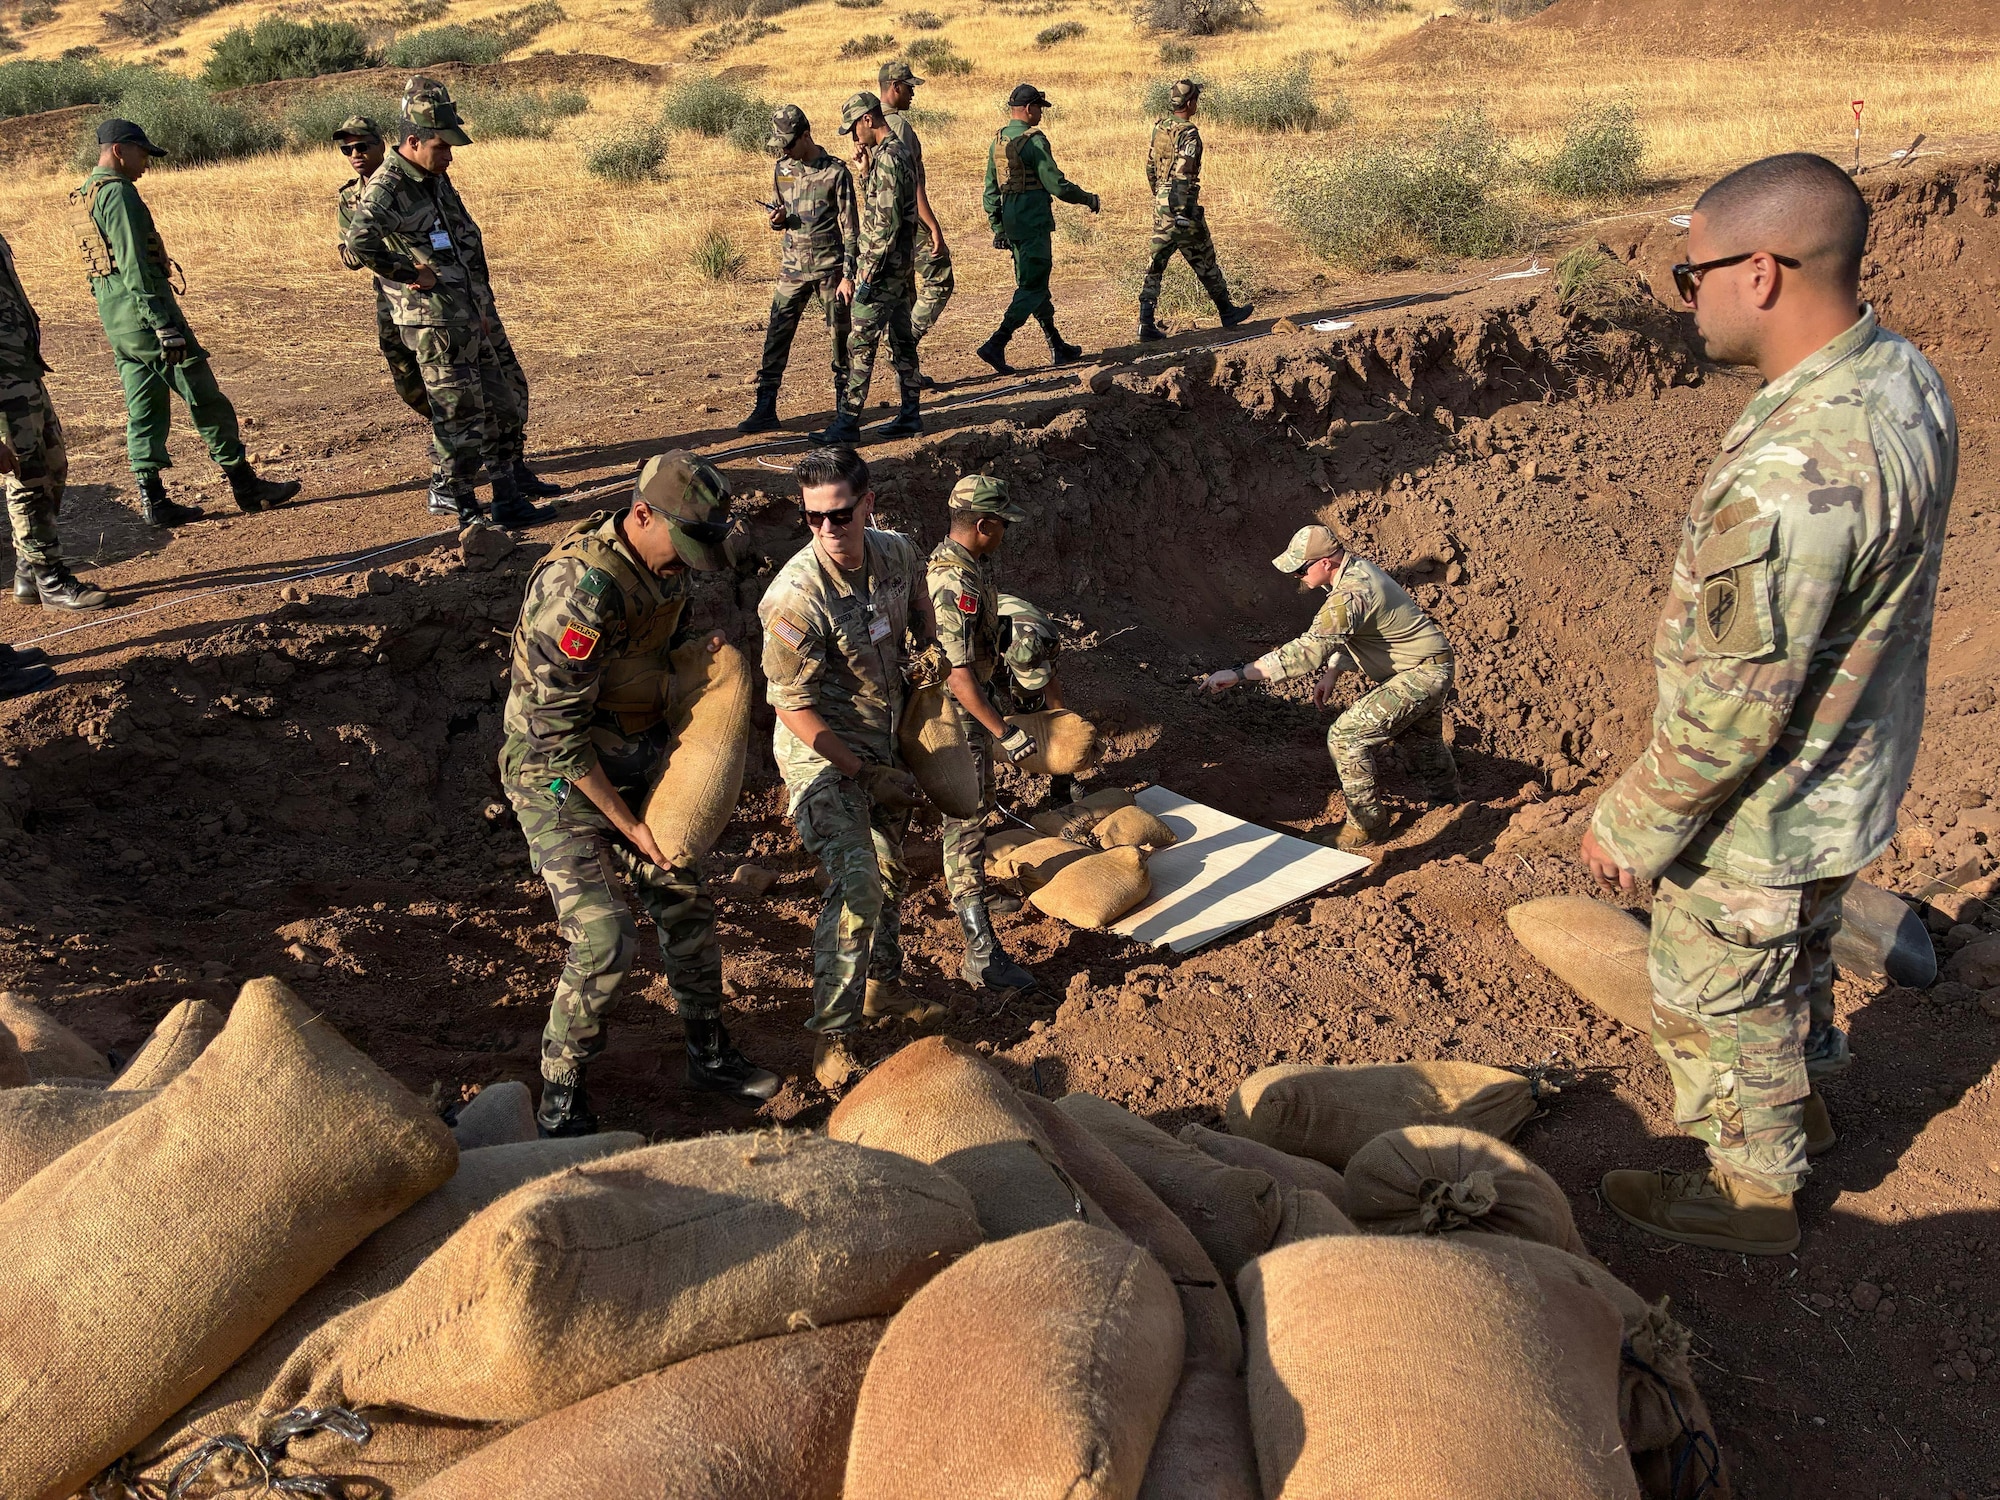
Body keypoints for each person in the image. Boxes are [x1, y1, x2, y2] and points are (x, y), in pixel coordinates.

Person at [1582, 153, 1956, 1256]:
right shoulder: (1896, 375)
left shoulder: (1792, 467)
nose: (1679, 297)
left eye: (1685, 272)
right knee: (1790, 955)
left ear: (1757, 272)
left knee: (1718, 989)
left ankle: (1751, 1196)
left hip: (1765, 807)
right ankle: (1803, 1107)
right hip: (1848, 774)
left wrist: (1634, 822)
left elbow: (1735, 707)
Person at [502, 450, 780, 1136]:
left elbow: (658, 650)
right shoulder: (580, 592)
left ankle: (708, 1055)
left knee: (685, 897)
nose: (686, 563)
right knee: (603, 935)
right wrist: (632, 831)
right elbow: (554, 741)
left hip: (631, 759)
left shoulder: (664, 565)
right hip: (559, 782)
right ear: (641, 514)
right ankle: (561, 1096)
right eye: (681, 545)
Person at [759, 445, 937, 1091]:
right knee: (858, 881)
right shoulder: (794, 598)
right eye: (813, 519)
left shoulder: (897, 552)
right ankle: (833, 1036)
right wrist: (861, 773)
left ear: (868, 503)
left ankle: (881, 990)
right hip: (823, 759)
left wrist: (931, 653)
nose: (828, 530)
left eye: (840, 514)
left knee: (892, 869)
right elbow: (791, 706)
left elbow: (922, 611)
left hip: (885, 741)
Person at [343, 77, 555, 528]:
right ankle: (461, 505)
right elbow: (358, 243)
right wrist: (408, 274)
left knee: (500, 404)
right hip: (434, 323)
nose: (450, 155)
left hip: (468, 312)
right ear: (413, 141)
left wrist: (479, 302)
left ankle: (507, 496)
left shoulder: (432, 177)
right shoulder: (388, 185)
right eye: (442, 146)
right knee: (459, 416)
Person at [71, 118, 299, 529]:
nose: (146, 163)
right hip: (147, 321)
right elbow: (135, 265)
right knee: (204, 395)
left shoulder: (84, 194)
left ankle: (153, 498)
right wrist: (163, 324)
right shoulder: (119, 194)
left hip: (118, 323)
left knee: (143, 407)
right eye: (142, 153)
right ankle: (245, 485)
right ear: (120, 150)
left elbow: (97, 269)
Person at [1200, 525, 1458, 850]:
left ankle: (1368, 826)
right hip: (1429, 665)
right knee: (1421, 739)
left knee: (1345, 737)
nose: (1297, 576)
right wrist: (1333, 671)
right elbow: (1359, 631)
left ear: (1326, 563)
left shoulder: (1351, 593)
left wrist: (1239, 674)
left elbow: (1306, 652)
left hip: (1419, 674)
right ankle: (1449, 804)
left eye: (1300, 569)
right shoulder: (1356, 573)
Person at [927, 474, 1040, 994]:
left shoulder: (971, 568)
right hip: (955, 714)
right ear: (984, 524)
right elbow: (956, 673)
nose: (1005, 535)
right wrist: (1004, 730)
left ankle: (973, 893)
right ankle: (981, 953)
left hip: (971, 707)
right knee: (966, 821)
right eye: (1002, 526)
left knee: (981, 805)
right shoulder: (955, 582)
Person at [1, 227, 104, 614]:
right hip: (2, 385)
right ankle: (49, 578)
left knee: (54, 467)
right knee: (28, 478)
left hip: (22, 372)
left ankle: (28, 569)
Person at [737, 105, 857, 437]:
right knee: (776, 337)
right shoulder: (782, 170)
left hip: (829, 271)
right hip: (791, 270)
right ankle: (765, 408)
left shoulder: (835, 173)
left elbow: (851, 230)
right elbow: (785, 216)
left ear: (806, 135)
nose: (785, 150)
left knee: (841, 340)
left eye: (789, 143)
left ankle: (845, 413)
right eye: (781, 145)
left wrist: (849, 275)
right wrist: (777, 221)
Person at [811, 94, 922, 447]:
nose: (854, 139)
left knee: (859, 341)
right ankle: (910, 414)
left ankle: (847, 421)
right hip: (900, 267)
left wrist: (865, 274)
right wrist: (864, 172)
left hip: (883, 270)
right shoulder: (892, 154)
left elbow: (884, 226)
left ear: (868, 119)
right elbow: (882, 204)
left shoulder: (889, 158)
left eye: (854, 129)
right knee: (902, 340)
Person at [976, 83, 1099, 376]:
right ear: (1029, 109)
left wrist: (998, 227)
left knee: (1034, 283)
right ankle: (997, 342)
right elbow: (1056, 184)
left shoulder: (999, 140)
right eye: (1040, 109)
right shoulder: (1034, 141)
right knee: (1032, 287)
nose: (1041, 115)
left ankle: (1057, 344)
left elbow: (990, 190)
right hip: (1033, 223)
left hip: (1013, 223)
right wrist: (1087, 198)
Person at [1139, 79, 1253, 342]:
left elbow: (1150, 166)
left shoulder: (1160, 127)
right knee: (1204, 256)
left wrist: (1160, 195)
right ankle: (1227, 312)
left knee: (1156, 263)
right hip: (1182, 206)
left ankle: (1145, 322)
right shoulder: (1189, 133)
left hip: (1162, 202)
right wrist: (1180, 210)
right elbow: (1184, 172)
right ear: (1190, 103)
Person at [332, 116, 429, 421]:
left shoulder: (409, 183)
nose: (355, 155)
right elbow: (349, 256)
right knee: (404, 374)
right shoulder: (350, 198)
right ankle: (447, 426)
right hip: (389, 292)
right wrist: (367, 233)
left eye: (361, 146)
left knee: (445, 367)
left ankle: (460, 437)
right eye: (347, 150)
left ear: (381, 145)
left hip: (427, 286)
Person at [878, 60, 953, 365]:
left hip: (883, 221)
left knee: (904, 294)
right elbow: (912, 182)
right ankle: (900, 346)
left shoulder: (866, 124)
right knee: (940, 278)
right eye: (909, 87)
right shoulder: (897, 126)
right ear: (894, 87)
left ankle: (907, 373)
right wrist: (932, 225)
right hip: (910, 217)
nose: (913, 94)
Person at [996, 591, 1074, 804]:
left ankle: (1060, 781)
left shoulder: (1046, 636)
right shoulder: (982, 638)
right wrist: (1004, 733)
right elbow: (966, 685)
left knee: (1032, 705)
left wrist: (1064, 730)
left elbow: (1050, 685)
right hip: (983, 649)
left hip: (1017, 640)